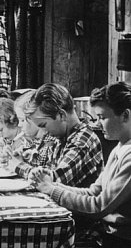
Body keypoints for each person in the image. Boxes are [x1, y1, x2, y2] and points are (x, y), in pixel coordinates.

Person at [31, 82, 131, 247]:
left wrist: (51, 190)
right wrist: (52, 185)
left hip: (120, 240)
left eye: (102, 117)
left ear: (125, 116)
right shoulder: (119, 147)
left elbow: (99, 207)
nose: (97, 124)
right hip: (108, 235)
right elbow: (93, 192)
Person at [27, 83, 103, 187]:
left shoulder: (83, 139)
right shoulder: (60, 136)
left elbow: (53, 179)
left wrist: (18, 166)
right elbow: (42, 165)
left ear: (61, 115)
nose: (43, 131)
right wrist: (22, 158)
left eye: (44, 125)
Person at [6, 90, 59, 179]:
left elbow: (44, 177)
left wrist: (18, 164)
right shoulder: (33, 141)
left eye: (22, 120)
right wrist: (15, 158)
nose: (19, 125)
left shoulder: (50, 141)